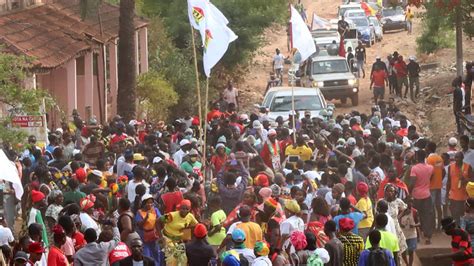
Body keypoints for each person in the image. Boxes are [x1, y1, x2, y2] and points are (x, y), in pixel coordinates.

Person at [408, 149, 434, 244]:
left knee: (416, 216)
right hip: (427, 195)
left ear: (417, 157)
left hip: (416, 195)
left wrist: (408, 193)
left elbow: (412, 183)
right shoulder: (430, 167)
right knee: (427, 216)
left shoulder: (414, 168)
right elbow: (431, 178)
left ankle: (417, 237)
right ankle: (428, 237)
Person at [135, 194, 161, 264]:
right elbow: (139, 225)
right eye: (148, 203)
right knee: (146, 255)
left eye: (151, 203)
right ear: (144, 203)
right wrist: (146, 217)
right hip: (144, 237)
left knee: (156, 254)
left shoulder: (155, 210)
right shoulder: (139, 212)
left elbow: (160, 219)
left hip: (154, 236)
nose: (150, 204)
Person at [447, 152, 472, 224]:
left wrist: (465, 180)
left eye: (458, 157)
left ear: (462, 158)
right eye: (455, 157)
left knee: (462, 213)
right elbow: (449, 181)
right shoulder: (450, 167)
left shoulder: (468, 167)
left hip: (464, 195)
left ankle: (462, 227)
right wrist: (447, 194)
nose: (456, 159)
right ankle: (457, 226)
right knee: (454, 213)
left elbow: (472, 179)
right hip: (453, 195)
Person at [399, 196, 420, 266]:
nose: (410, 203)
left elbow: (419, 223)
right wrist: (400, 224)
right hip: (403, 233)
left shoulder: (415, 212)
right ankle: (407, 263)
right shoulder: (401, 211)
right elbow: (397, 219)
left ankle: (410, 264)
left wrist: (414, 226)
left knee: (411, 251)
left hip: (412, 234)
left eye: (411, 202)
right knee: (403, 251)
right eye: (408, 201)